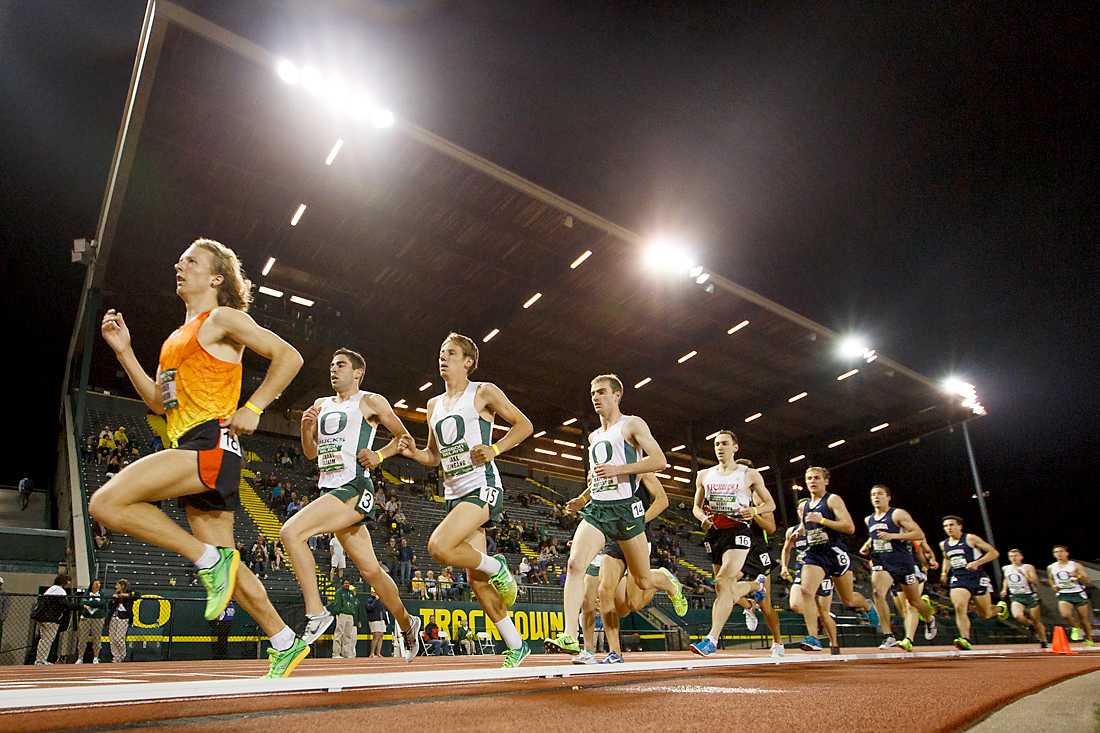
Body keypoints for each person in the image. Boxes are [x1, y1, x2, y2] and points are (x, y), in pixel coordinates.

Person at [91, 237, 309, 678]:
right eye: (179, 258)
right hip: (192, 443)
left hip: (209, 442)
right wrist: (124, 351)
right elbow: (158, 402)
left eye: (190, 261)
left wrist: (254, 407)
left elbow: (290, 356)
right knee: (228, 561)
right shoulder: (175, 338)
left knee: (105, 504)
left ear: (216, 277)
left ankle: (206, 559)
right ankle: (284, 639)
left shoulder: (223, 318)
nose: (180, 265)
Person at [401, 332, 533, 668]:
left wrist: (495, 449)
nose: (442, 358)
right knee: (476, 581)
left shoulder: (483, 392)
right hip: (453, 492)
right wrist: (412, 453)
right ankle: (517, 646)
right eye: (441, 353)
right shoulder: (432, 405)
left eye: (450, 353)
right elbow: (433, 456)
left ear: (468, 361)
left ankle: (498, 565)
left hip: (482, 485)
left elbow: (524, 425)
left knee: (438, 547)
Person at [544, 374, 667, 661]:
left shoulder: (632, 424)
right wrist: (583, 498)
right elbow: (600, 477)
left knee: (644, 581)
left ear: (617, 395)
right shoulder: (594, 436)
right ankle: (570, 635)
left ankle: (664, 579)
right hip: (599, 509)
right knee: (575, 564)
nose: (595, 398)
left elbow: (659, 460)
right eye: (592, 394)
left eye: (601, 392)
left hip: (625, 511)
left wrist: (620, 469)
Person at [585, 473, 687, 663]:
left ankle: (662, 580)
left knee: (634, 603)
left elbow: (663, 500)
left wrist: (639, 521)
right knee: (605, 591)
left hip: (637, 536)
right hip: (613, 539)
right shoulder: (603, 468)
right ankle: (615, 653)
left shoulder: (641, 470)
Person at [689, 431, 774, 656]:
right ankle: (756, 586)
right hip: (715, 534)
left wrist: (754, 510)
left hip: (738, 531)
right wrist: (702, 519)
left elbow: (771, 504)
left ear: (735, 447)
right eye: (717, 444)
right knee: (721, 589)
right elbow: (696, 507)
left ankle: (711, 639)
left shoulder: (749, 474)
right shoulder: (704, 475)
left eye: (725, 444)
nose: (720, 448)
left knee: (723, 579)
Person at [797, 466, 877, 653]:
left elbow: (849, 527)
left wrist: (823, 520)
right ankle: (813, 637)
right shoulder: (805, 505)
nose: (812, 481)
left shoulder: (832, 500)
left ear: (826, 481)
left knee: (848, 600)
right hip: (815, 554)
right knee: (806, 591)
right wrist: (801, 530)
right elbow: (807, 525)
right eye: (809, 478)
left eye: (817, 478)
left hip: (834, 553)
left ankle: (866, 604)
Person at [862, 484, 938, 651]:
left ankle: (929, 618)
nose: (876, 497)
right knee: (877, 593)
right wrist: (868, 545)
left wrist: (894, 536)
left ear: (888, 497)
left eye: (880, 494)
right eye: (873, 494)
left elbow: (919, 534)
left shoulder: (897, 514)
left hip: (901, 561)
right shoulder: (869, 519)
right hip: (881, 561)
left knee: (914, 601)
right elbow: (875, 536)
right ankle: (888, 636)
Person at [939, 515, 999, 650]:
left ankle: (1000, 608)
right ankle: (965, 638)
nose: (948, 528)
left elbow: (993, 553)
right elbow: (946, 558)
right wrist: (944, 572)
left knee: (986, 614)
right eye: (946, 526)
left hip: (977, 577)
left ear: (960, 526)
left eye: (952, 525)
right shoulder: (944, 544)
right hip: (959, 578)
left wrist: (977, 563)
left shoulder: (970, 538)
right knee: (959, 607)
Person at [781, 511, 836, 651]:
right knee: (795, 605)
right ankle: (815, 634)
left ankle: (834, 644)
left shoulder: (822, 528)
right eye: (799, 510)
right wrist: (784, 566)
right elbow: (786, 549)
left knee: (825, 613)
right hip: (803, 570)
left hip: (823, 570)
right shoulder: (792, 531)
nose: (802, 512)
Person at [995, 548, 1047, 648]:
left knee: (1036, 621)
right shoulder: (1006, 568)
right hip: (1016, 596)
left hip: (1030, 595)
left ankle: (1043, 640)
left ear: (1021, 557)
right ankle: (1029, 625)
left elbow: (1035, 582)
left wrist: (1026, 575)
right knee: (1017, 616)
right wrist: (1004, 589)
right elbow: (1006, 579)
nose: (1013, 558)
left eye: (1015, 556)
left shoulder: (1027, 567)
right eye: (1011, 556)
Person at [1047, 545, 1094, 646]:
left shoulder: (1075, 565)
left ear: (1067, 553)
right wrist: (1053, 586)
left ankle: (1089, 639)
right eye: (1056, 552)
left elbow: (1087, 580)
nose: (1058, 554)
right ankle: (1075, 627)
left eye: (1061, 551)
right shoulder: (1051, 567)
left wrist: (1078, 576)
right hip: (1063, 594)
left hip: (1078, 593)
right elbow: (1050, 579)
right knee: (1065, 614)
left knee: (1084, 619)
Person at [32, 573, 71, 665]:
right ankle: (42, 659)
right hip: (52, 619)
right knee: (48, 639)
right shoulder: (60, 591)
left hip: (42, 618)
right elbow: (65, 604)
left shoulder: (50, 589)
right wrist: (80, 606)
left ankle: (39, 659)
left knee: (43, 639)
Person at [74, 579, 107, 664]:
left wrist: (88, 603)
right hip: (86, 618)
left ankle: (96, 657)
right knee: (82, 638)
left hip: (98, 619)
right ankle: (80, 657)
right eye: (96, 583)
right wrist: (93, 603)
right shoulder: (86, 594)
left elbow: (102, 603)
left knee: (97, 638)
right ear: (92, 585)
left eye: (99, 583)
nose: (97, 585)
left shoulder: (102, 594)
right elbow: (82, 603)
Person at [329, 580, 359, 659]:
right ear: (342, 584)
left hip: (350, 615)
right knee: (339, 634)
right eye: (345, 583)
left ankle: (346, 653)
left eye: (348, 583)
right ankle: (336, 653)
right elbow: (337, 603)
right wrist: (338, 612)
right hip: (342, 614)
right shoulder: (339, 592)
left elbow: (353, 604)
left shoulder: (351, 592)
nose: (347, 584)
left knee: (347, 635)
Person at [107, 579, 134, 663]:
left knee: (119, 638)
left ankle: (122, 655)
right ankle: (116, 656)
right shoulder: (116, 595)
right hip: (114, 617)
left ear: (122, 586)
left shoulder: (129, 593)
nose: (116, 587)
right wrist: (114, 599)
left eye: (117, 585)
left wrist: (123, 595)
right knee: (112, 639)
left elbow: (137, 595)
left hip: (124, 617)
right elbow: (110, 606)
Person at [363, 590, 388, 657]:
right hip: (374, 620)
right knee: (376, 636)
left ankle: (378, 653)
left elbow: (383, 611)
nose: (376, 593)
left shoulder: (381, 600)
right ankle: (372, 653)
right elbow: (369, 608)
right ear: (372, 593)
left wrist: (386, 621)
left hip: (381, 620)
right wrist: (376, 600)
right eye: (375, 592)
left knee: (381, 636)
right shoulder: (369, 600)